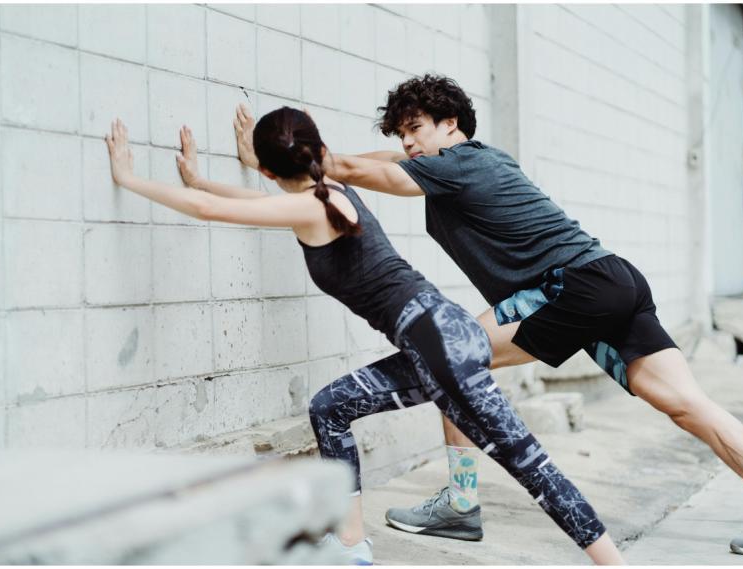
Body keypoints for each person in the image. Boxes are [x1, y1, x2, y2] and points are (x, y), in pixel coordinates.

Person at [234, 74, 743, 552]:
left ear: (450, 124)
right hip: (613, 278)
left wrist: (284, 156)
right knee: (687, 404)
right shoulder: (473, 161)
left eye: (415, 128)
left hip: (572, 287)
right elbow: (382, 161)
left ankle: (462, 505)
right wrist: (318, 160)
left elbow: (351, 169)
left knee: (453, 356)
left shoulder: (456, 166)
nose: (408, 142)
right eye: (401, 134)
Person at [104, 108, 625, 565]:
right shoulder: (326, 194)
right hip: (443, 336)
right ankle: (351, 545)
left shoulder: (313, 203)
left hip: (439, 345)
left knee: (532, 468)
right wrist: (200, 180)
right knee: (330, 408)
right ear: (317, 151)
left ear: (268, 170)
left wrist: (130, 178)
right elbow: (249, 202)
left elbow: (216, 211)